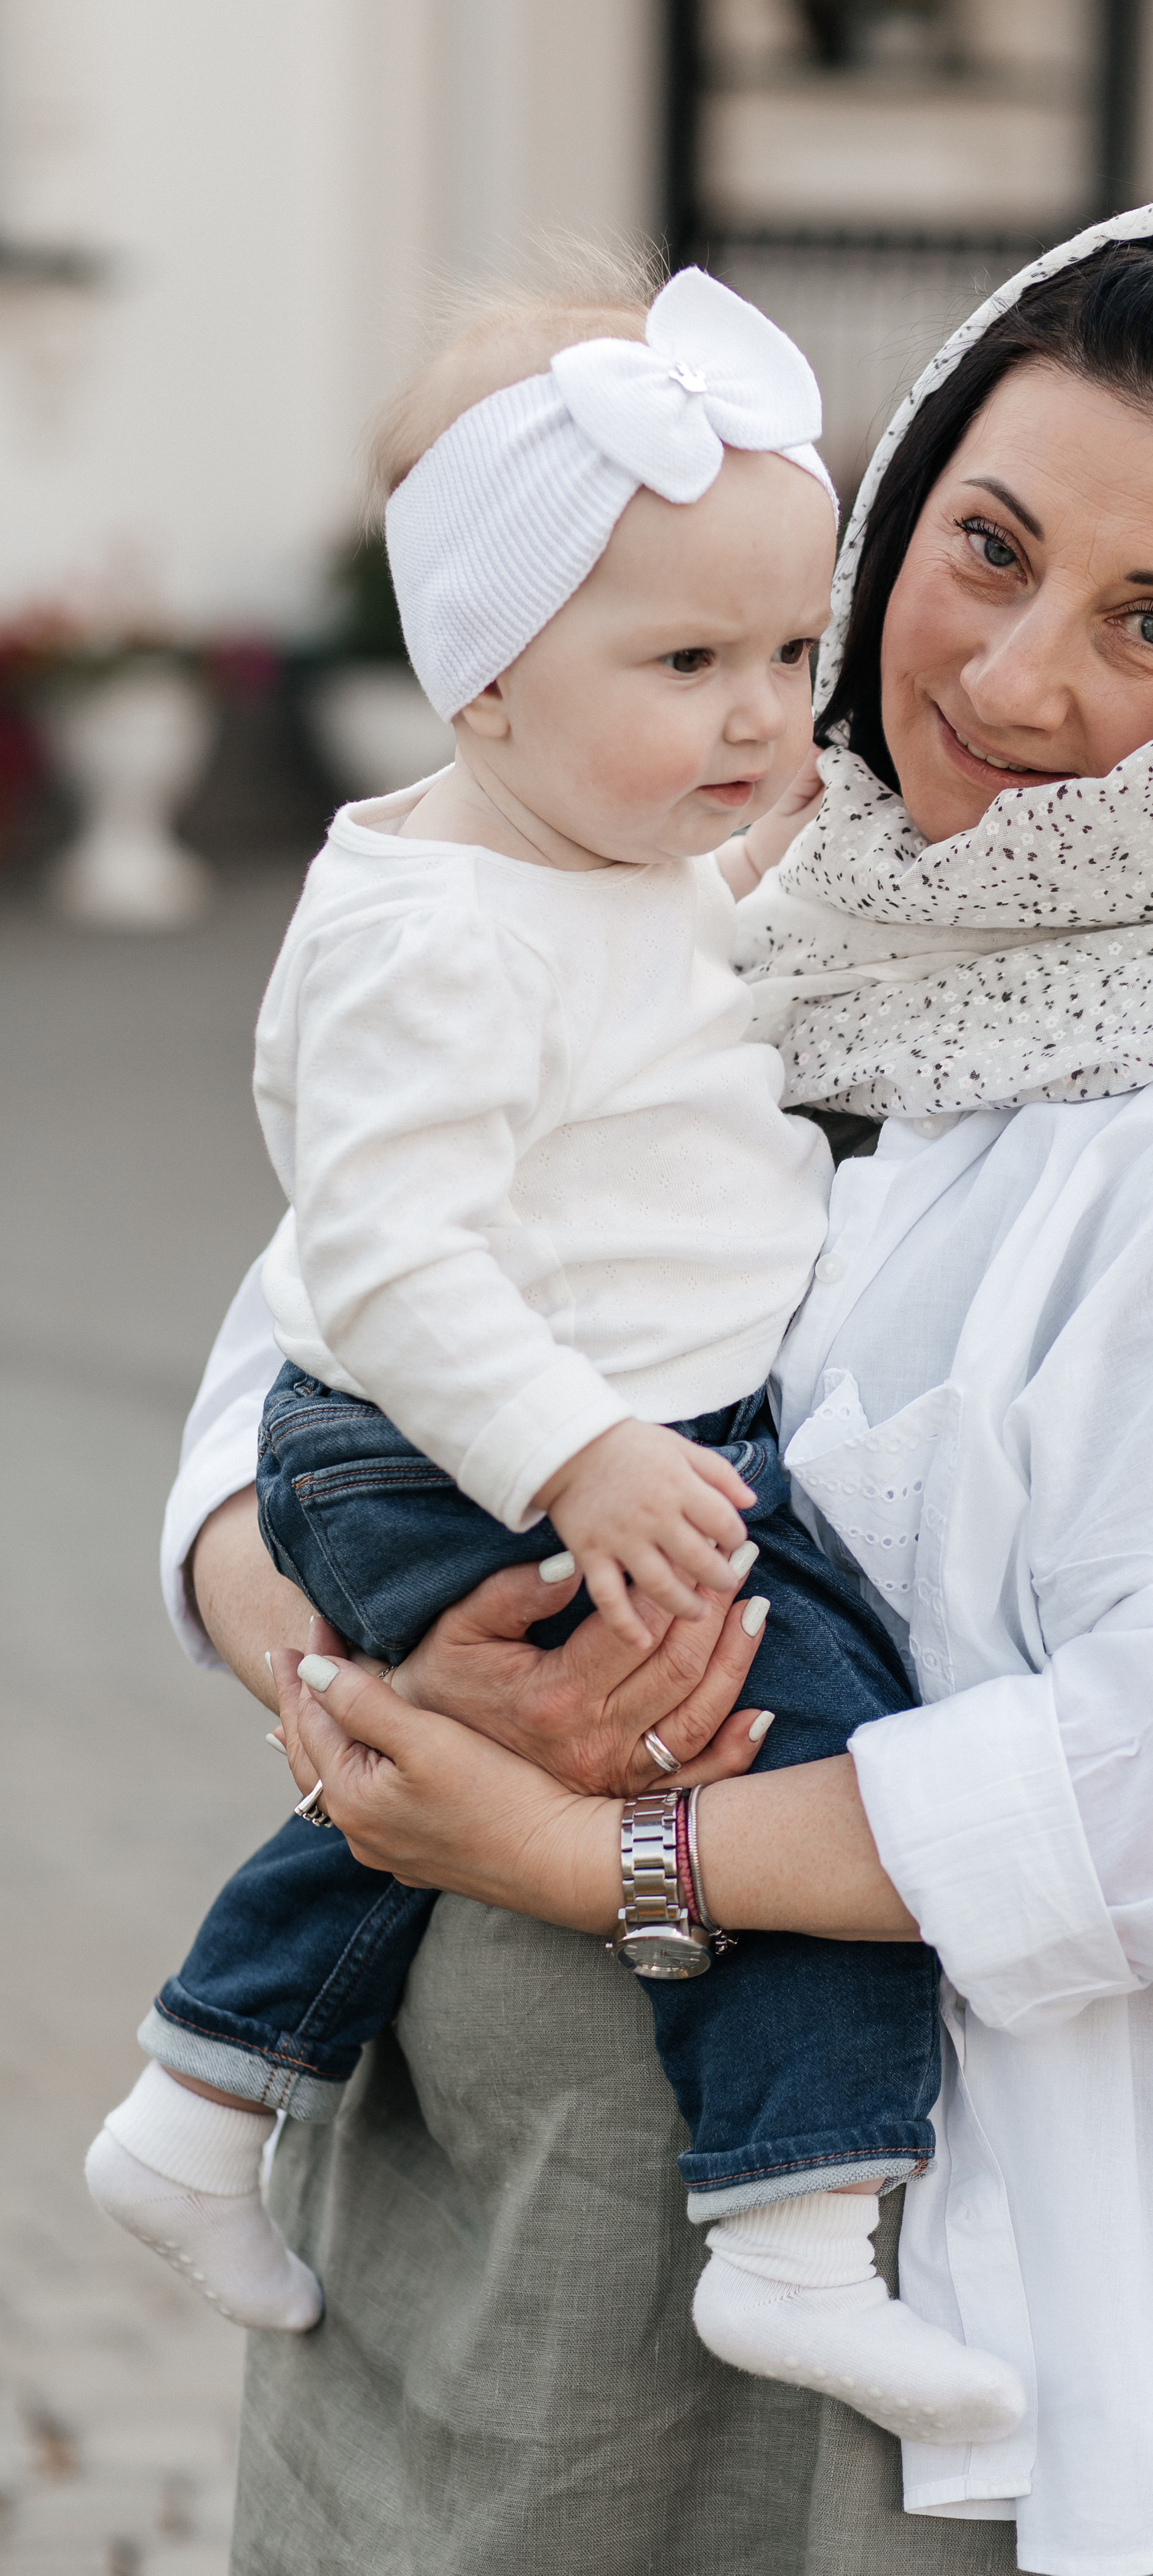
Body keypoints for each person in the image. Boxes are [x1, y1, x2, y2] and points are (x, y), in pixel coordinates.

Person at [158, 201, 1153, 2576]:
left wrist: (595, 1850)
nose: (1016, 677)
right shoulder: (700, 888)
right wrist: (371, 1677)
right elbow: (305, 1343)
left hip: (967, 2297)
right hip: (487, 2230)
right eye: (990, 546)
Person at [85, 260, 1024, 2443]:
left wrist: (752, 845)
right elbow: (383, 1275)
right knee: (810, 1756)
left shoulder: (605, 853)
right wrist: (578, 1455)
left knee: (438, 1773)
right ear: (478, 681)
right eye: (689, 661)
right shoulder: (441, 932)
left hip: (547, 1443)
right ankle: (794, 2228)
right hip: (469, 1454)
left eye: (788, 657)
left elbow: (685, 979)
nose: (761, 718)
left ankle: (201, 2100)